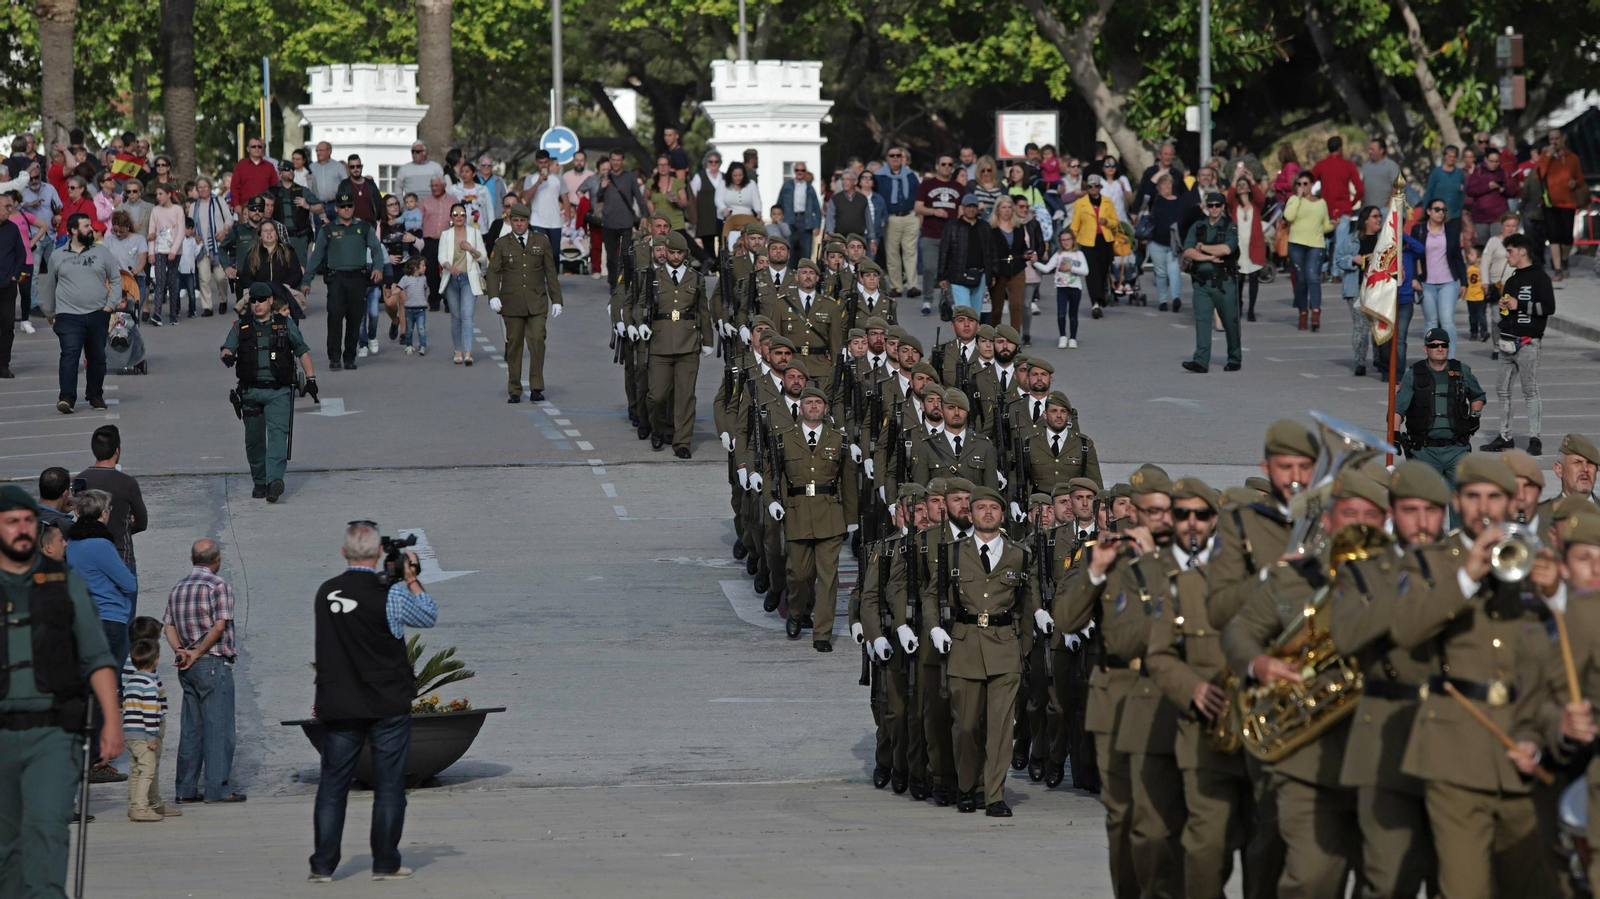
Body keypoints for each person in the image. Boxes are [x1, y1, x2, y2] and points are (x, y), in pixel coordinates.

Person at [1389, 455, 1561, 897]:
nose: (1483, 507)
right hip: (1453, 753)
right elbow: (1406, 631)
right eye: (1473, 497)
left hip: (1524, 748)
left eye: (1494, 497)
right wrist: (1466, 577)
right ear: (1456, 500)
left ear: (1511, 503)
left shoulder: (1532, 561)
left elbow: (1557, 662)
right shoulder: (1428, 564)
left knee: (1532, 886)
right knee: (1464, 888)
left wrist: (1555, 595)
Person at [1325, 461, 1450, 899]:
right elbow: (1346, 635)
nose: (1420, 522)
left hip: (1450, 737)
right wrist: (1404, 591)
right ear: (1394, 512)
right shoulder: (1364, 570)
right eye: (1410, 510)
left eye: (1430, 511)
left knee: (1451, 880)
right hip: (1382, 738)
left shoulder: (1464, 569)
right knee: (1387, 879)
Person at [0, 484, 123, 899]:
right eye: (11, 522)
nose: (21, 529)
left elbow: (96, 655)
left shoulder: (64, 584)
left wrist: (112, 722)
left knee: (48, 830)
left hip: (54, 733)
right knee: (7, 851)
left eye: (27, 522)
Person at [308, 522, 435, 884]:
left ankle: (322, 866)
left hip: (340, 700)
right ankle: (385, 862)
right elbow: (428, 614)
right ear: (380, 553)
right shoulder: (390, 594)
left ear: (345, 552)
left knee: (333, 786)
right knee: (390, 785)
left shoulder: (326, 591)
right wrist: (409, 577)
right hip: (387, 702)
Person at [764, 384, 859, 648]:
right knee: (799, 575)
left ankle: (822, 634)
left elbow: (848, 482)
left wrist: (852, 518)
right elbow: (772, 475)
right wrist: (771, 501)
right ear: (801, 408)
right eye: (809, 403)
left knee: (828, 578)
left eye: (818, 403)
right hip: (796, 513)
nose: (814, 406)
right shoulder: (784, 439)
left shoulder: (838, 441)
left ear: (826, 409)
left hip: (830, 514)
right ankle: (797, 612)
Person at [160, 538, 244, 807]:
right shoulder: (219, 586)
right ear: (217, 560)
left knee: (191, 728)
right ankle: (218, 789)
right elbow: (219, 626)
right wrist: (197, 651)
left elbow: (168, 626)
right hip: (213, 662)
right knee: (219, 728)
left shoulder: (178, 588)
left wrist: (181, 651)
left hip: (187, 667)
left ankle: (185, 788)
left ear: (191, 559)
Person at [221, 283, 318, 501]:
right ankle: (259, 482)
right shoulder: (241, 326)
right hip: (250, 393)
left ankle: (275, 480)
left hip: (279, 391)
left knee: (277, 437)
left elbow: (302, 350)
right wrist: (227, 355)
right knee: (254, 441)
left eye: (262, 300)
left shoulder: (286, 325)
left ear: (271, 301)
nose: (257, 304)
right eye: (254, 301)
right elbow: (227, 347)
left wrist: (310, 379)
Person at [38, 212, 120, 414]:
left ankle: (95, 396)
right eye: (86, 226)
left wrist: (109, 306)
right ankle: (67, 397)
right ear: (74, 231)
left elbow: (116, 279)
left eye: (90, 225)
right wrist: (49, 312)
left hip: (97, 313)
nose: (91, 229)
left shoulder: (102, 252)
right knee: (69, 355)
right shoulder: (57, 256)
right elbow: (49, 286)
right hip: (68, 316)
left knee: (97, 357)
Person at [1481, 233, 1554, 455]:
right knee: (1502, 390)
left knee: (1530, 391)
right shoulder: (1512, 280)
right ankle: (1505, 436)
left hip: (1529, 343)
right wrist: (1504, 305)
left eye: (1510, 251)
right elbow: (1508, 311)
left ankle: (1535, 438)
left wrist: (1519, 304)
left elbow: (1548, 308)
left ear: (1522, 251)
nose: (1507, 255)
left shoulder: (1541, 278)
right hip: (1507, 343)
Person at [486, 203, 564, 403]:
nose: (519, 224)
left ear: (528, 221)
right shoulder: (502, 243)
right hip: (511, 302)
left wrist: (557, 300)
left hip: (536, 301)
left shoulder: (541, 241)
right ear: (510, 221)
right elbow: (493, 271)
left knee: (537, 341)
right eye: (515, 221)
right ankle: (514, 389)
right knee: (514, 346)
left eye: (522, 221)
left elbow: (550, 272)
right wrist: (493, 295)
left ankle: (536, 387)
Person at [302, 190, 384, 370]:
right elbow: (316, 256)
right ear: (337, 209)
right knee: (335, 318)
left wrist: (378, 267)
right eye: (343, 207)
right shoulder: (328, 230)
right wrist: (306, 281)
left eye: (349, 206)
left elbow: (377, 249)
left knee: (355, 319)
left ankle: (349, 357)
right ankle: (334, 357)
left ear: (353, 208)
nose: (347, 209)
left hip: (358, 280)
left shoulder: (363, 228)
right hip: (336, 280)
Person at [1393, 327, 1486, 486]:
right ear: (1425, 349)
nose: (1439, 348)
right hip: (1424, 451)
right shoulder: (1414, 374)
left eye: (1443, 345)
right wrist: (1394, 434)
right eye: (1434, 345)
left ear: (1449, 347)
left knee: (1461, 504)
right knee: (1426, 504)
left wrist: (1475, 415)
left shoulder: (1461, 371)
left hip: (1457, 449)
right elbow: (1398, 408)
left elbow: (1478, 396)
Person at [1182, 191, 1242, 373]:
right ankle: (1200, 360)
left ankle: (1234, 357)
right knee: (1202, 321)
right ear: (1206, 207)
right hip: (1202, 283)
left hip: (1224, 283)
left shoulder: (1229, 227)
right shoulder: (1198, 227)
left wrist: (1202, 247)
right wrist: (1208, 258)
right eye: (1211, 205)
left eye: (1217, 205)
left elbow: (1225, 249)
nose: (1214, 208)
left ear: (1223, 207)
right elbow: (1187, 251)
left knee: (1230, 322)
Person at [122, 638, 174, 822]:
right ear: (156, 660)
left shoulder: (131, 682)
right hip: (144, 735)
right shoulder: (150, 685)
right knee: (148, 769)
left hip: (130, 733)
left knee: (136, 769)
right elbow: (151, 713)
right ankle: (141, 807)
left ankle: (133, 804)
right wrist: (152, 736)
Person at [1412, 197, 1466, 355]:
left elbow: (1457, 257)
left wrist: (1463, 282)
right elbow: (1412, 257)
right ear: (1428, 211)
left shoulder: (1451, 230)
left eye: (1443, 210)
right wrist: (1414, 277)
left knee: (1447, 320)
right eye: (1437, 209)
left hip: (1448, 281)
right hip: (1426, 283)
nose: (1440, 213)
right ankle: (1432, 358)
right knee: (1431, 322)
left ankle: (1450, 359)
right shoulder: (1419, 230)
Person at [1283, 170, 1332, 330]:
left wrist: (1333, 224)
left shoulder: (1321, 203)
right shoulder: (1293, 200)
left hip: (1316, 244)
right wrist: (1297, 197)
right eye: (1299, 184)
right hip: (1296, 244)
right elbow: (1289, 217)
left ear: (1311, 185)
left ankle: (1316, 312)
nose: (1302, 187)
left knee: (1313, 277)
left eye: (1305, 184)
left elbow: (1324, 226)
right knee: (1301, 280)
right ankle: (1303, 313)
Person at [439, 202, 486, 366]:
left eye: (462, 214)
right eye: (456, 214)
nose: (459, 217)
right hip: (451, 279)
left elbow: (483, 257)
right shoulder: (446, 235)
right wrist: (449, 266)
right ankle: (457, 350)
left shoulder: (474, 233)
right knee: (456, 317)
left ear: (466, 217)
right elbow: (441, 256)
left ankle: (468, 352)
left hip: (469, 279)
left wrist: (471, 249)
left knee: (467, 316)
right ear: (451, 217)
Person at [913, 153, 961, 309]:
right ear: (937, 166)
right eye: (944, 164)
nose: (947, 167)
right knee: (929, 267)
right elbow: (918, 207)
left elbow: (961, 210)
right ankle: (927, 299)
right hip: (930, 233)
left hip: (951, 235)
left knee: (949, 269)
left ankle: (948, 300)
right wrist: (934, 212)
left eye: (950, 165)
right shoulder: (927, 185)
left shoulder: (958, 187)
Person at [1337, 206, 1381, 375]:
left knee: (1378, 324)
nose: (1378, 219)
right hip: (1356, 288)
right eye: (1375, 216)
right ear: (1365, 221)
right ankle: (1360, 362)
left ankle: (1379, 359)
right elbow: (1338, 259)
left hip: (1378, 288)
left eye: (1379, 216)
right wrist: (1354, 260)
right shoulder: (1351, 240)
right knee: (1361, 326)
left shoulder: (1383, 240)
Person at [1538, 128, 1585, 283]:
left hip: (1568, 203)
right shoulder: (1546, 157)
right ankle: (1558, 269)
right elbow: (1539, 174)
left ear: (1562, 139)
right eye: (1551, 139)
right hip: (1550, 203)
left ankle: (1564, 260)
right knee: (1553, 237)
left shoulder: (1572, 158)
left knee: (1566, 238)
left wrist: (1575, 183)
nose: (1554, 142)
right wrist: (1546, 157)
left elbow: (1580, 179)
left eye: (1557, 139)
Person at [1069, 175, 1118, 317]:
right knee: (1091, 273)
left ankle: (1101, 296)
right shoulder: (1080, 203)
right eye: (1090, 186)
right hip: (1087, 241)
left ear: (1100, 187)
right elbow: (1075, 225)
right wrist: (1072, 242)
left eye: (1096, 186)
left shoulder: (1107, 202)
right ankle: (1095, 303)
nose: (1093, 189)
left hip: (1105, 240)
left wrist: (1107, 222)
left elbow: (1115, 221)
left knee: (1103, 271)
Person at [936, 194, 994, 313]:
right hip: (958, 274)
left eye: (974, 206)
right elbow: (944, 252)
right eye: (968, 206)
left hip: (980, 274)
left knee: (976, 313)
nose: (971, 209)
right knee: (965, 311)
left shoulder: (985, 227)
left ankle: (972, 332)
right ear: (962, 207)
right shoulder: (952, 227)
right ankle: (964, 331)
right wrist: (941, 276)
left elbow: (991, 251)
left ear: (978, 208)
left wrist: (992, 273)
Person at [238, 220, 305, 322]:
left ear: (277, 235)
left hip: (282, 293)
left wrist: (287, 285)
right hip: (260, 295)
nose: (269, 233)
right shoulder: (252, 254)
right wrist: (257, 288)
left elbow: (297, 274)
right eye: (265, 231)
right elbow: (245, 277)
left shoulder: (288, 251)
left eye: (271, 230)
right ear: (260, 236)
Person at [599, 149, 648, 288]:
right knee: (610, 257)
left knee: (626, 255)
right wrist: (601, 187)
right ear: (610, 160)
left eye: (618, 160)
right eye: (613, 160)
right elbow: (598, 197)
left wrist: (644, 215)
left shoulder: (630, 177)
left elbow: (639, 198)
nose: (615, 162)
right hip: (608, 222)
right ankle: (613, 283)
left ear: (623, 161)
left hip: (626, 222)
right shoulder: (605, 177)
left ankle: (625, 283)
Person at [1034, 228, 1088, 349]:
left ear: (1073, 240)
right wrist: (1035, 262)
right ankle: (1062, 336)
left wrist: (1071, 268)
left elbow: (1085, 271)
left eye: (1068, 239)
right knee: (1061, 313)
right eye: (1063, 240)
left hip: (1075, 288)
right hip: (1061, 288)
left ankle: (1073, 338)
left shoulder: (1079, 254)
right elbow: (1047, 268)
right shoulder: (1058, 255)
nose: (1066, 242)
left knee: (1073, 314)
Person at [878, 147, 920, 301]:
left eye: (898, 155)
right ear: (887, 158)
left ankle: (912, 285)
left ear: (903, 158)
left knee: (910, 252)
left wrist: (919, 215)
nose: (895, 158)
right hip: (891, 218)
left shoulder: (910, 175)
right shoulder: (880, 176)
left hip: (910, 216)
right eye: (892, 155)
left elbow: (919, 194)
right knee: (892, 253)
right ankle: (896, 286)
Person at [1227, 171, 1268, 322]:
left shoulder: (1256, 206)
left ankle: (1251, 309)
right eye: (1239, 185)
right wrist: (1236, 176)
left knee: (1253, 278)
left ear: (1249, 188)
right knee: (1238, 279)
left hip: (1253, 246)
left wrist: (1251, 179)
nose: (1241, 186)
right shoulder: (1234, 205)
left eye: (1245, 185)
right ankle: (1238, 305)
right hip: (1239, 247)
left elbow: (1261, 197)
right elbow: (1229, 196)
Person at [778, 161, 823, 262]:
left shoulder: (810, 188)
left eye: (802, 170)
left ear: (805, 172)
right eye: (797, 170)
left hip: (805, 221)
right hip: (789, 220)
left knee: (806, 251)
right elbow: (779, 203)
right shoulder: (787, 186)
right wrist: (778, 220)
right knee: (789, 250)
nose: (799, 172)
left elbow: (817, 208)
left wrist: (817, 225)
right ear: (794, 171)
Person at [521, 149, 564, 250]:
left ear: (549, 162)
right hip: (537, 222)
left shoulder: (558, 179)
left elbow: (565, 198)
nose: (543, 165)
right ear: (536, 163)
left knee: (554, 255)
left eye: (545, 162)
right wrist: (538, 183)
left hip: (555, 223)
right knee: (538, 254)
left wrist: (569, 220)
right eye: (540, 163)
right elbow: (526, 197)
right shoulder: (530, 179)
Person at [1422, 146, 1467, 226]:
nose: (1451, 159)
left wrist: (1460, 210)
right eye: (1449, 156)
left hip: (1455, 215)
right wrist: (1425, 211)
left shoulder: (1459, 173)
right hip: (1437, 214)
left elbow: (1462, 194)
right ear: (1445, 156)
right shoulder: (1436, 172)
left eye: (1454, 157)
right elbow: (1429, 192)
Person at [229, 136, 277, 211]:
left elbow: (275, 188)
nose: (257, 149)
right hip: (245, 209)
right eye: (253, 146)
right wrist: (236, 205)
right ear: (248, 149)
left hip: (264, 209)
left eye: (259, 147)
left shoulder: (269, 167)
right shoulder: (240, 166)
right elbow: (234, 187)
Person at [398, 256, 428, 355]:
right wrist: (391, 292)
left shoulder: (423, 278)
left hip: (421, 309)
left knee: (421, 328)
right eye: (423, 265)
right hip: (409, 309)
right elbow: (399, 288)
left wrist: (425, 300)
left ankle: (422, 346)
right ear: (415, 267)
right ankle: (409, 345)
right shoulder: (406, 279)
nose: (425, 267)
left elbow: (425, 289)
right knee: (409, 330)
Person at [1360, 137, 1401, 210]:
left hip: (1385, 211)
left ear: (1381, 150)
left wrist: (1388, 206)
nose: (1369, 152)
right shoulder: (1367, 166)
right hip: (1368, 211)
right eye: (1369, 149)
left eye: (1372, 149)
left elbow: (1397, 187)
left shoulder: (1391, 165)